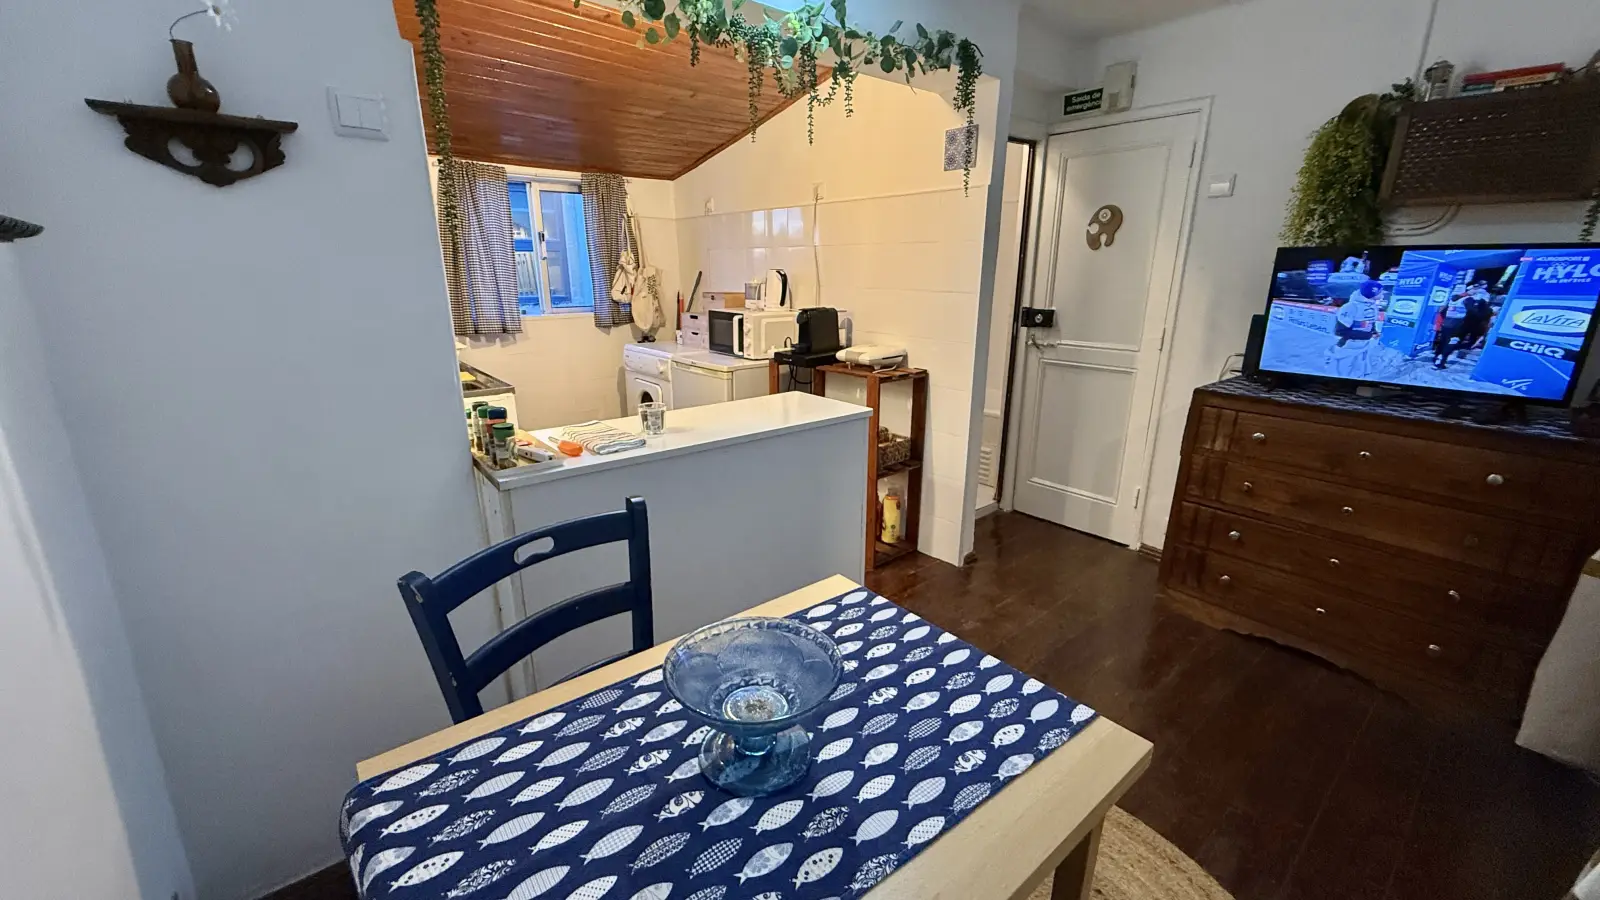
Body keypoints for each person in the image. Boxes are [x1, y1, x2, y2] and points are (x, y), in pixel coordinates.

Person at [1328, 280, 1382, 378]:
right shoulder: (1351, 307)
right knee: (1344, 374)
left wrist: (1374, 331)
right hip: (1347, 347)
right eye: (1380, 291)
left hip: (1364, 346)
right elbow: (1340, 331)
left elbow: (1370, 322)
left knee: (1359, 372)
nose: (1382, 294)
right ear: (1372, 292)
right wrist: (1368, 335)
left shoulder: (1373, 306)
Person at [1432, 286, 1472, 368]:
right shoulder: (1468, 299)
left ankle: (1436, 357)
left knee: (1443, 342)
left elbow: (1443, 312)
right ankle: (1441, 363)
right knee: (1450, 344)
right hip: (1456, 326)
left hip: (1446, 324)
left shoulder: (1452, 299)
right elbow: (1472, 313)